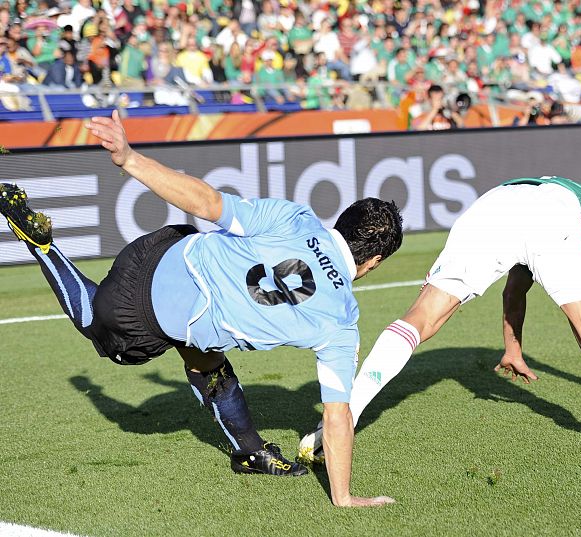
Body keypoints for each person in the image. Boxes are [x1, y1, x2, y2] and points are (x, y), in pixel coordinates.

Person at [0, 110, 403, 508]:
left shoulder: (295, 217)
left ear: (342, 221)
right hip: (138, 310)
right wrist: (343, 496)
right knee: (98, 325)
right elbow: (337, 415)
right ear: (374, 261)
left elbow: (208, 202)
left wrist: (129, 158)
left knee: (205, 354)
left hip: (162, 246)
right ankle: (43, 247)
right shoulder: (342, 320)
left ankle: (250, 452)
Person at [299, 176, 581, 462]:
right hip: (553, 219)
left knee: (420, 319)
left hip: (491, 208)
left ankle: (348, 412)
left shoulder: (559, 192)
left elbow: (514, 290)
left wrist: (513, 348)